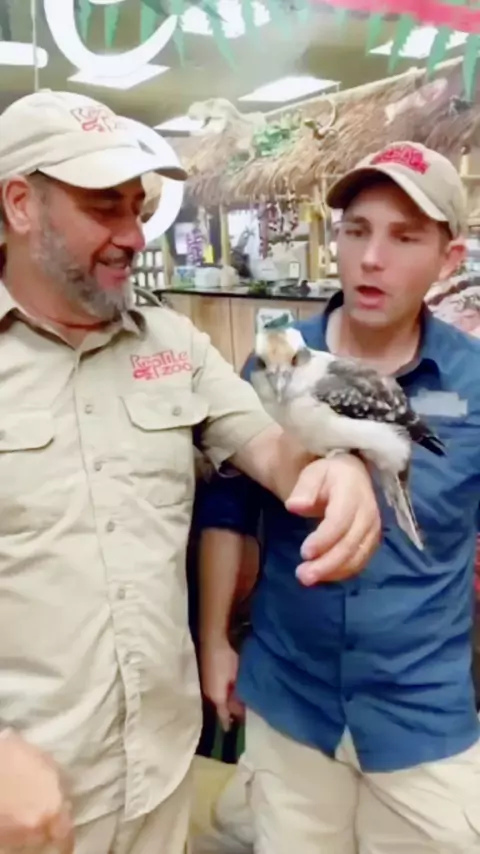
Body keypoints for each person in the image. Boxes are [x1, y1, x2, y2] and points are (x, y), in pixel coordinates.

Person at [0, 89, 380, 854]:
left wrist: (337, 465)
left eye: (136, 206)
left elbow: (271, 448)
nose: (133, 234)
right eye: (104, 207)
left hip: (160, 778)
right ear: (20, 205)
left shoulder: (172, 342)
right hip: (24, 802)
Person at [199, 142, 480, 854]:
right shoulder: (274, 360)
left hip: (422, 713)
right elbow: (229, 508)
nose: (371, 258)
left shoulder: (473, 381)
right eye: (357, 230)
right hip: (289, 700)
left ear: (449, 259)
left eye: (404, 237)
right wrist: (214, 641)